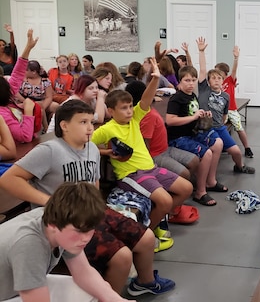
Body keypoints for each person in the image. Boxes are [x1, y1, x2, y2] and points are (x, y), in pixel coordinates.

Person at [0, 100, 176, 295]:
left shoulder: (91, 148)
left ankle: (145, 283)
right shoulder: (49, 151)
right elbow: (9, 179)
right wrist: (48, 201)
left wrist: (99, 206)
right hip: (66, 220)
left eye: (91, 123)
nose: (90, 128)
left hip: (92, 210)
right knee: (122, 256)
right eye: (83, 122)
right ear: (64, 126)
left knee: (147, 238)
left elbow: (95, 182)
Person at [91, 58, 194, 230]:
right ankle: (146, 233)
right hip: (132, 175)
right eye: (124, 108)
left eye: (130, 106)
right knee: (165, 200)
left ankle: (160, 215)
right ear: (111, 111)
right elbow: (86, 146)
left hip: (151, 168)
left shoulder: (134, 120)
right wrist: (105, 153)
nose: (130, 111)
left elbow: (145, 100)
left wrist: (155, 78)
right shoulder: (107, 129)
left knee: (186, 188)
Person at [0, 182, 134, 302]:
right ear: (53, 225)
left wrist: (116, 299)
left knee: (98, 289)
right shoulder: (29, 245)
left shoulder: (55, 219)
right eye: (79, 231)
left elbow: (83, 271)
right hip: (7, 293)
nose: (86, 238)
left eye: (90, 229)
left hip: (12, 288)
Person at [166, 48, 226, 207]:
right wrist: (193, 117)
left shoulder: (192, 95)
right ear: (179, 81)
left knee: (218, 143)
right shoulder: (176, 98)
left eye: (193, 80)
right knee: (206, 153)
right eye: (187, 80)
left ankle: (210, 181)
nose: (191, 83)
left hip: (192, 132)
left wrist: (202, 114)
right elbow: (170, 120)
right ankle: (200, 192)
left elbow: (193, 112)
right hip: (178, 138)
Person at [197, 38, 255, 174]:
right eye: (213, 78)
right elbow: (203, 70)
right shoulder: (204, 90)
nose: (216, 80)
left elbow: (224, 114)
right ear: (208, 81)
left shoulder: (226, 96)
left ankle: (240, 167)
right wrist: (201, 52)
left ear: (223, 80)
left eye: (219, 78)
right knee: (215, 148)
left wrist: (236, 58)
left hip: (220, 127)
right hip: (206, 128)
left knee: (236, 152)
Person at [0, 28, 42, 143]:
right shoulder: (2, 113)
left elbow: (17, 73)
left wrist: (28, 48)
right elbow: (24, 137)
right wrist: (28, 110)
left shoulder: (6, 93)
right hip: (18, 151)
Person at [215, 45, 254, 158]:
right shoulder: (215, 82)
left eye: (218, 72)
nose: (216, 75)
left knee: (239, 127)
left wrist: (236, 58)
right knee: (219, 126)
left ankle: (247, 147)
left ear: (224, 73)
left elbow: (234, 70)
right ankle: (222, 145)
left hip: (231, 109)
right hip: (220, 111)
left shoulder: (230, 80)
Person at [18, 59, 54, 131]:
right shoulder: (22, 79)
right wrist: (26, 102)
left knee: (54, 106)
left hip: (40, 101)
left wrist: (43, 105)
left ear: (34, 72)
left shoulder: (45, 81)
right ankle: (43, 128)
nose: (24, 72)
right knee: (37, 106)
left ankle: (48, 128)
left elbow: (49, 96)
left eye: (26, 70)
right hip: (24, 100)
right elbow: (16, 93)